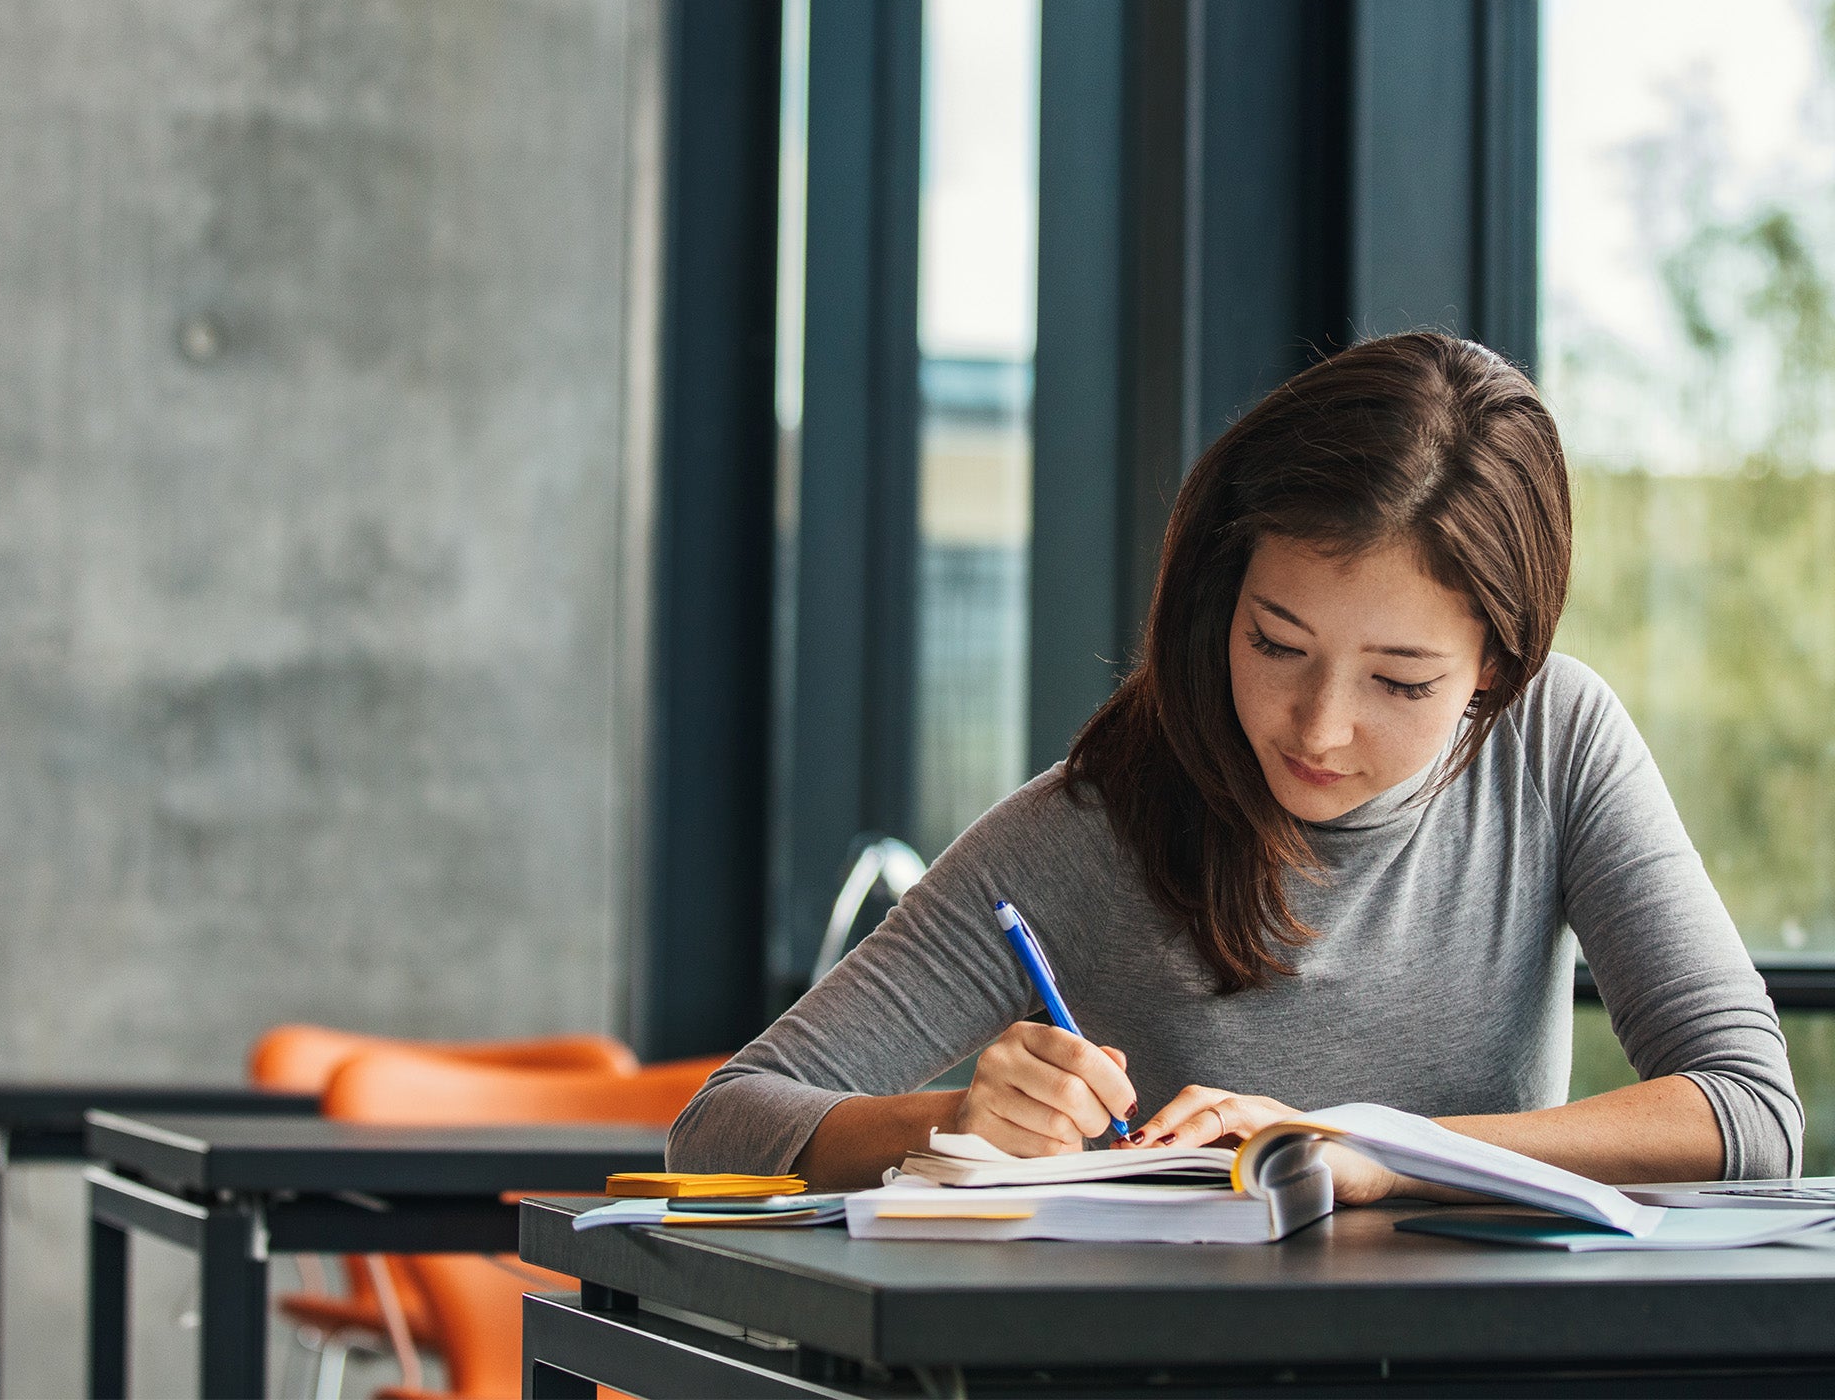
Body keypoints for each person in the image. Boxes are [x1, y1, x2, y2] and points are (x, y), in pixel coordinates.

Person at [668, 332, 1802, 1198]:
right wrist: (952, 1121)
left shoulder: (1553, 742)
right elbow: (717, 1126)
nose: (1318, 728)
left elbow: (1747, 1110)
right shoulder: (1095, 825)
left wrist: (1370, 1149)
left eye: (1399, 682)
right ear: (1222, 599)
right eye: (1275, 644)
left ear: (1494, 669)